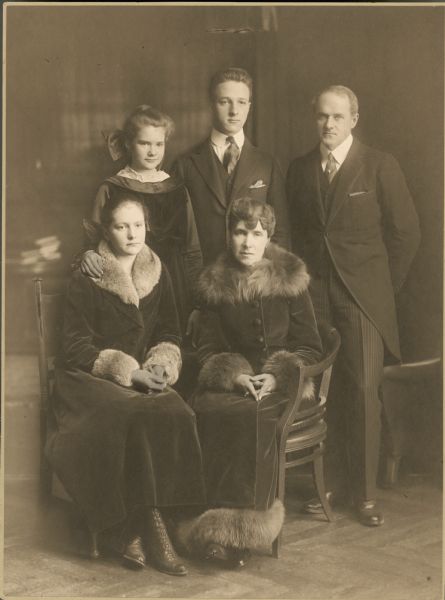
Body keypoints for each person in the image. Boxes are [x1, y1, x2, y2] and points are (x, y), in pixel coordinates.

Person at [45, 194, 206, 576]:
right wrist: (127, 372)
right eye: (121, 226)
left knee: (177, 410)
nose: (131, 234)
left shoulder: (157, 268)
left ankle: (165, 520)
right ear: (107, 230)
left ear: (147, 226)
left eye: (137, 225)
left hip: (140, 372)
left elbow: (169, 329)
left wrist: (162, 364)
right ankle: (134, 527)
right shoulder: (89, 272)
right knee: (130, 412)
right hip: (87, 376)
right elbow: (75, 346)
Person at [286, 85, 421, 526]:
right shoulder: (300, 169)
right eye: (322, 116)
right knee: (325, 393)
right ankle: (329, 482)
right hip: (315, 297)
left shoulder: (381, 165)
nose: (329, 125)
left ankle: (363, 493)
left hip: (362, 299)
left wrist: (379, 289)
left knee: (362, 390)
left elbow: (406, 235)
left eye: (338, 117)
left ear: (354, 119)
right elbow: (296, 235)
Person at [176, 197, 323, 568]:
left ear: (268, 237)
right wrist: (236, 375)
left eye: (256, 234)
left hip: (281, 384)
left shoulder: (291, 277)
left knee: (251, 416)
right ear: (229, 235)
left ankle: (242, 532)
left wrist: (276, 375)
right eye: (240, 232)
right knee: (207, 409)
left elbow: (309, 345)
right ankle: (208, 526)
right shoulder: (214, 281)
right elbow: (207, 346)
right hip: (234, 378)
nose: (247, 242)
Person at [79, 105, 202, 334]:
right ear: (128, 144)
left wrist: (198, 302)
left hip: (173, 281)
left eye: (159, 144)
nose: (152, 151)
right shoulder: (112, 187)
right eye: (144, 143)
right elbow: (92, 240)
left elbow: (192, 247)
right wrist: (87, 253)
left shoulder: (176, 189)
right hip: (126, 278)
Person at [172, 67, 290, 266]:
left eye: (241, 102)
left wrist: (265, 280)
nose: (234, 111)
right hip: (202, 281)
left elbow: (281, 232)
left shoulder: (267, 163)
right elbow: (175, 234)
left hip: (254, 284)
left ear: (249, 106)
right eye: (224, 102)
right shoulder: (185, 164)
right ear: (211, 105)